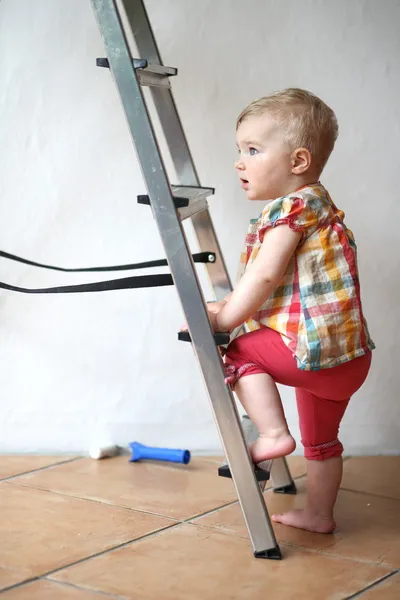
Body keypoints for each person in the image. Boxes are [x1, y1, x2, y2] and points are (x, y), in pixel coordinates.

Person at [205, 88, 374, 533]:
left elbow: (263, 277)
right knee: (322, 443)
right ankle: (319, 515)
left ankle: (273, 434)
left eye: (253, 150)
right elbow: (276, 287)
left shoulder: (291, 209)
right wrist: (228, 304)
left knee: (239, 351)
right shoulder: (320, 206)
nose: (240, 161)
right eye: (239, 150)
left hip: (310, 353)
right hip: (349, 359)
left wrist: (223, 318)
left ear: (298, 162)